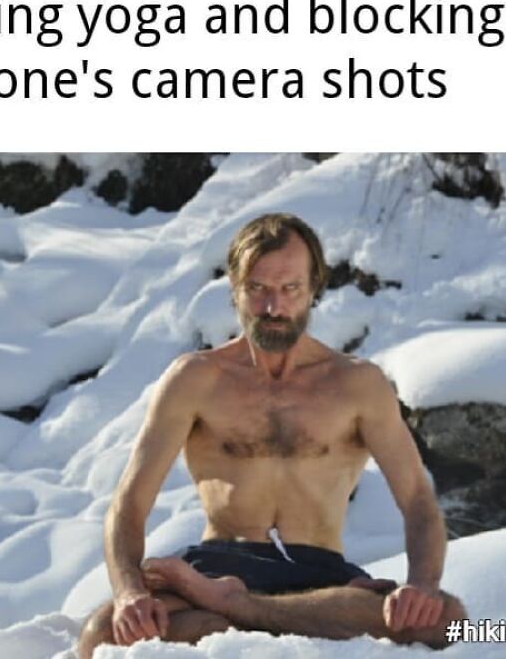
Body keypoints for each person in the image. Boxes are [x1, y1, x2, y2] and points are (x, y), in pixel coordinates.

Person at [78, 213, 466, 657]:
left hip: (319, 572)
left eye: (290, 289)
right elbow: (128, 504)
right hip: (220, 563)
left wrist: (421, 586)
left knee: (446, 619)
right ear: (234, 289)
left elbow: (417, 500)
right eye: (258, 289)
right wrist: (130, 592)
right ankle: (248, 612)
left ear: (314, 288)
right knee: (102, 633)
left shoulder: (358, 384)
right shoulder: (195, 379)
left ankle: (230, 612)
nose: (273, 307)